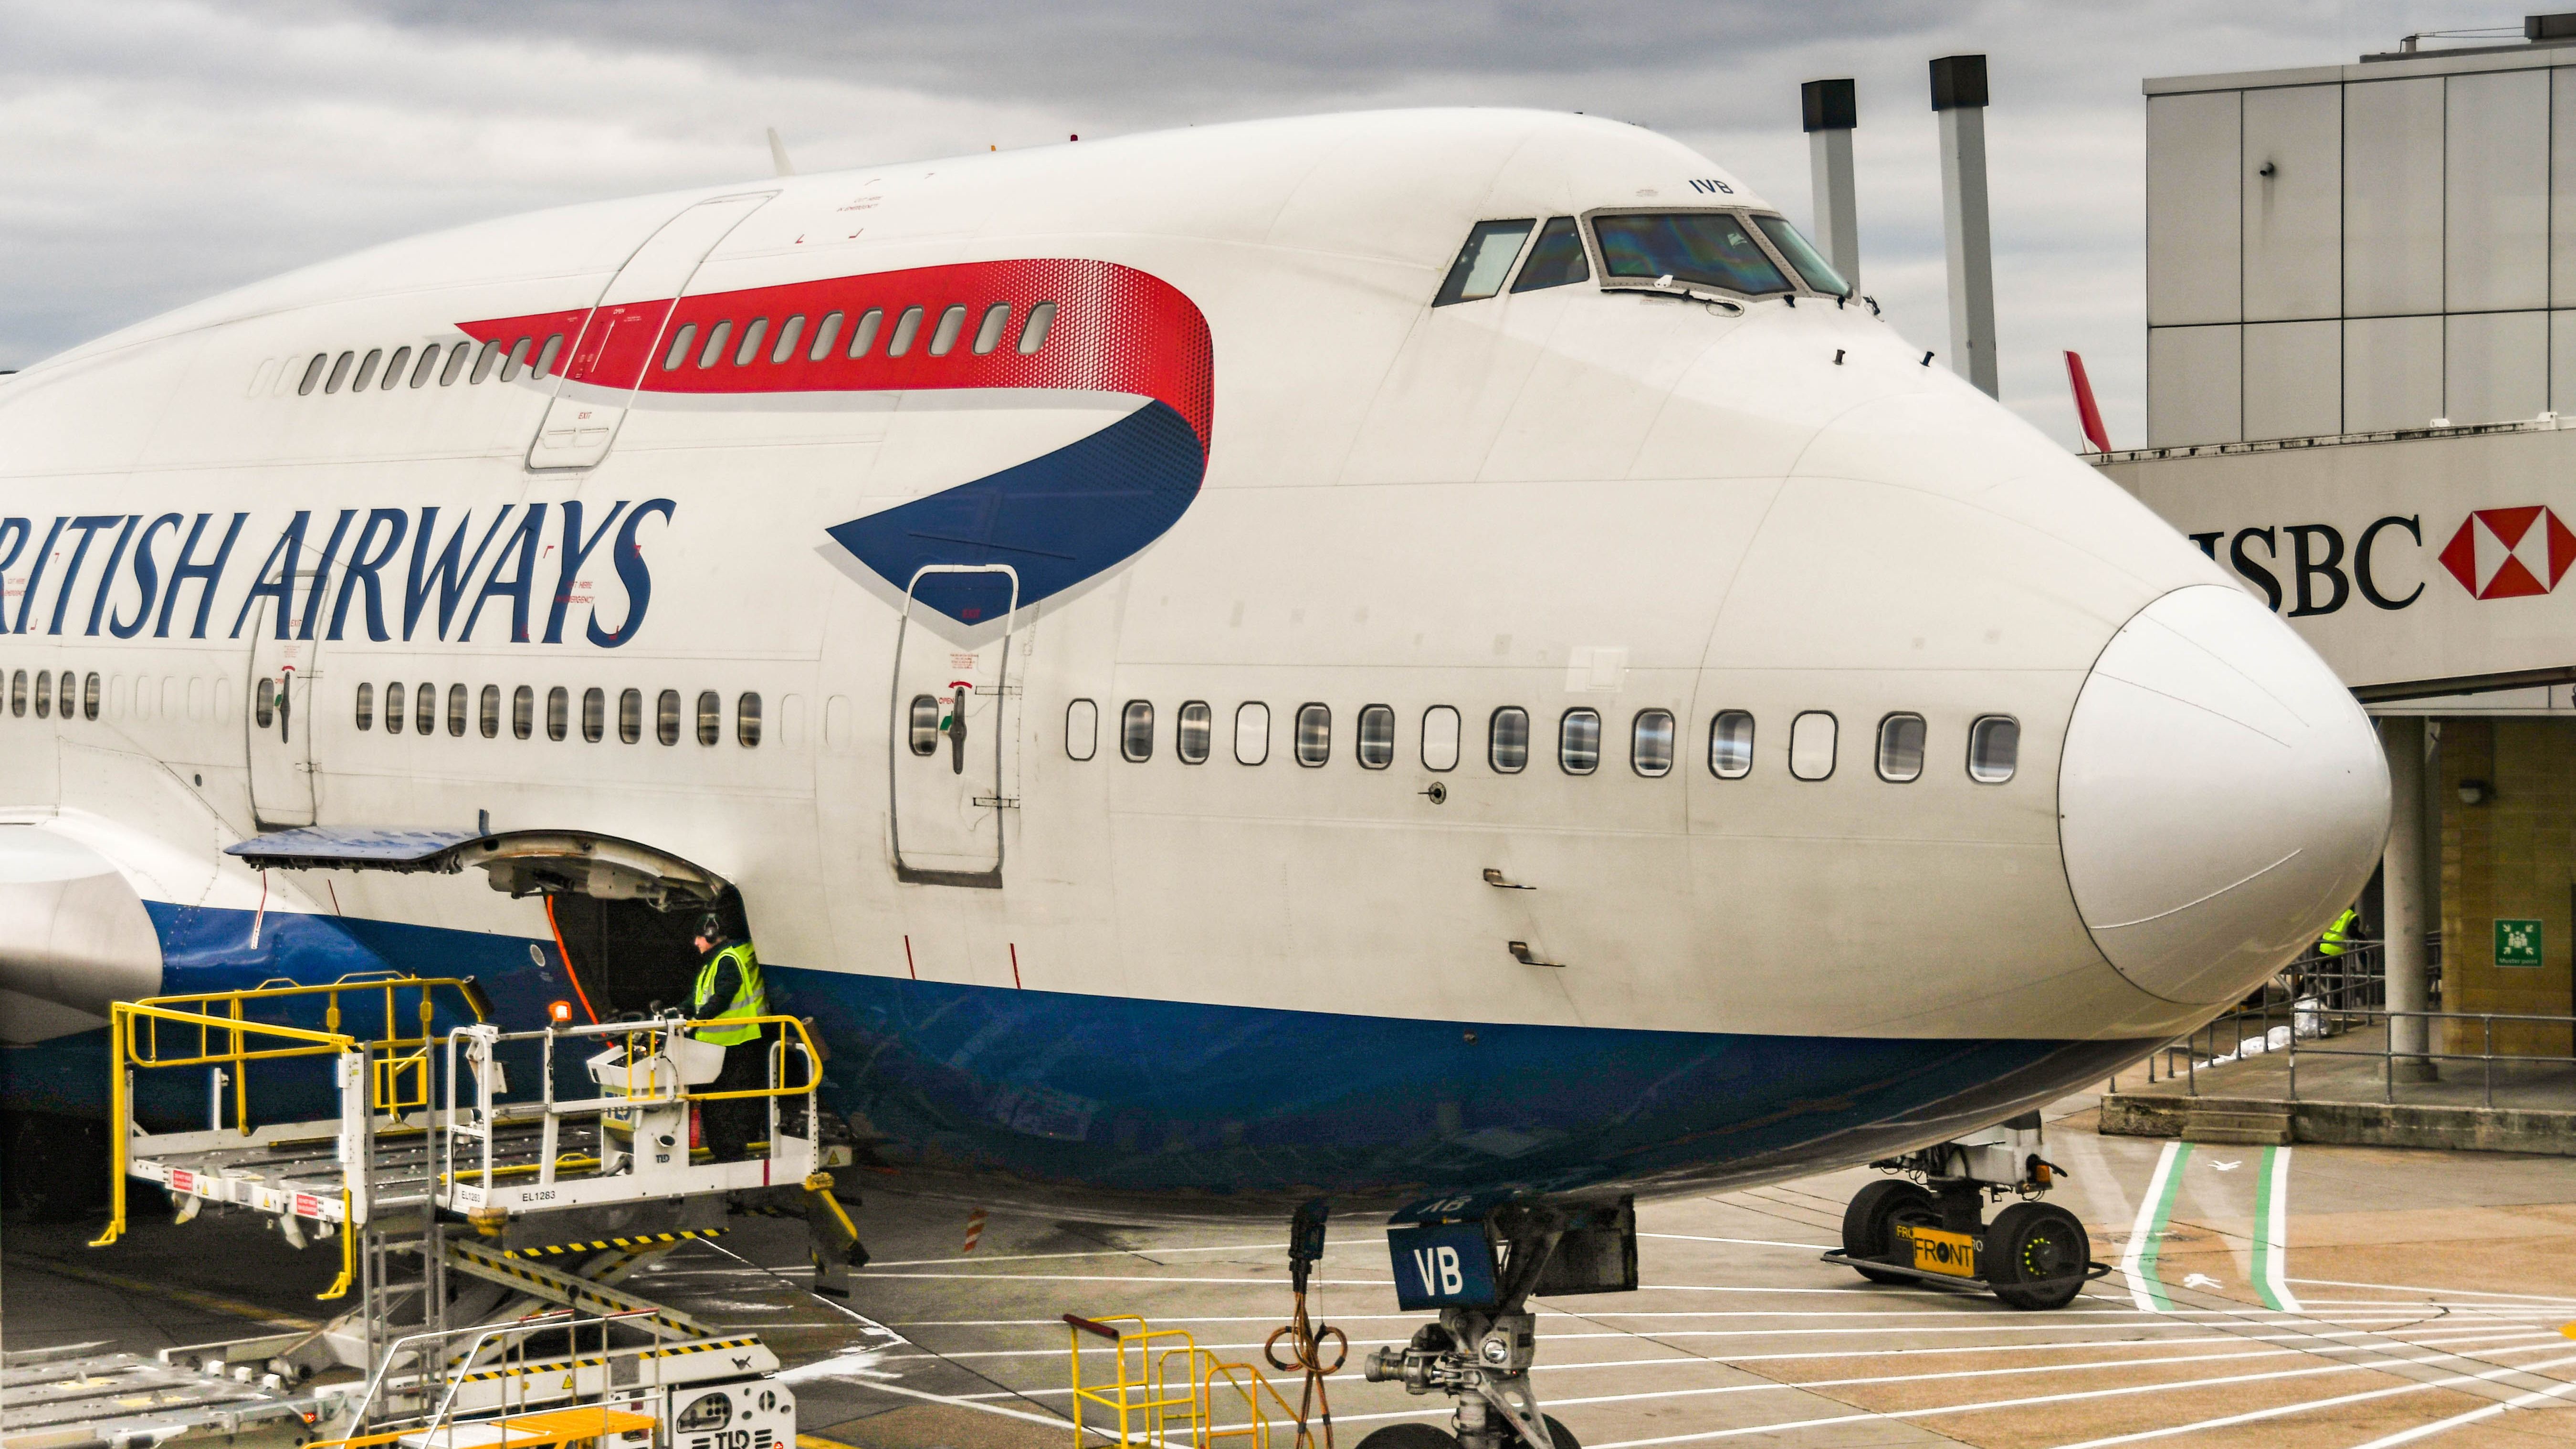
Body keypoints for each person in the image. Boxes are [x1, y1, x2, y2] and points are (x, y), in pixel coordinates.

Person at [688, 912, 768, 1163]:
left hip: (733, 1045)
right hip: (726, 1045)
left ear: (711, 935)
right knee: (724, 1103)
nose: (696, 943)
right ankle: (727, 1151)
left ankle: (728, 1154)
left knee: (724, 1104)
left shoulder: (726, 960)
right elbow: (698, 1000)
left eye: (699, 937)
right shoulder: (716, 962)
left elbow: (724, 995)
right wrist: (680, 1011)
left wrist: (699, 1019)